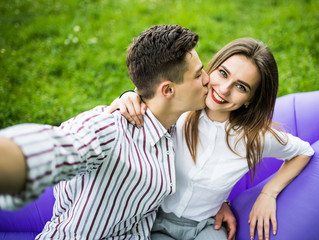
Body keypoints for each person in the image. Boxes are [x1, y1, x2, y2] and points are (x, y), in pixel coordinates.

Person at [0, 24, 210, 239]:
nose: (207, 78)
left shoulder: (176, 126)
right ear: (167, 90)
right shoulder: (110, 129)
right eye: (197, 74)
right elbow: (59, 146)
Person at [110, 38, 315, 240]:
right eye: (223, 73)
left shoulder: (255, 138)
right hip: (155, 220)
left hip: (206, 226)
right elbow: (154, 95)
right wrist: (129, 95)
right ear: (213, 67)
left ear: (251, 98)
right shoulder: (180, 111)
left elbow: (303, 152)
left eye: (241, 87)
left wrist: (268, 194)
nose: (224, 89)